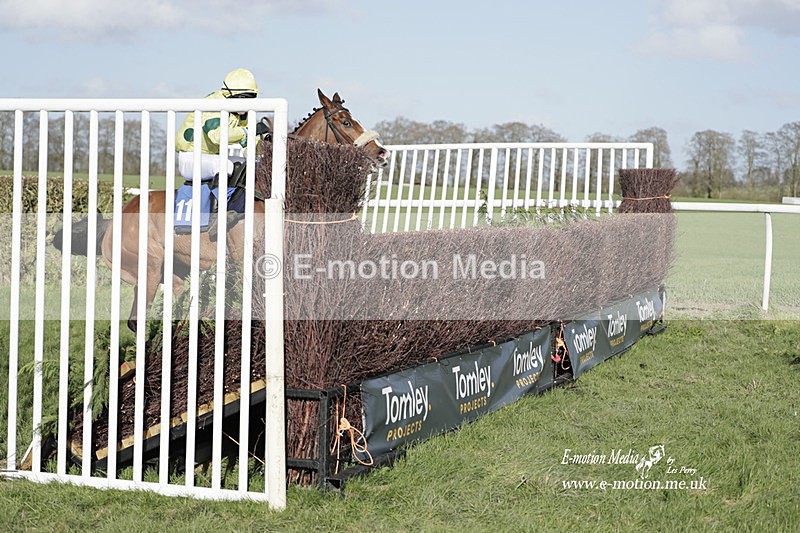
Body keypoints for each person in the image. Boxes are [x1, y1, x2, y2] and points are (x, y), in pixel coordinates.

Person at [175, 68, 269, 182]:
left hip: (213, 157)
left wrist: (264, 145)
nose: (246, 105)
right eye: (243, 99)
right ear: (229, 94)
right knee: (225, 166)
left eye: (251, 98)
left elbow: (246, 143)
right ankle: (217, 200)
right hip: (190, 158)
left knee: (255, 165)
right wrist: (249, 131)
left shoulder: (240, 113)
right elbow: (217, 136)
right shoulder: (213, 104)